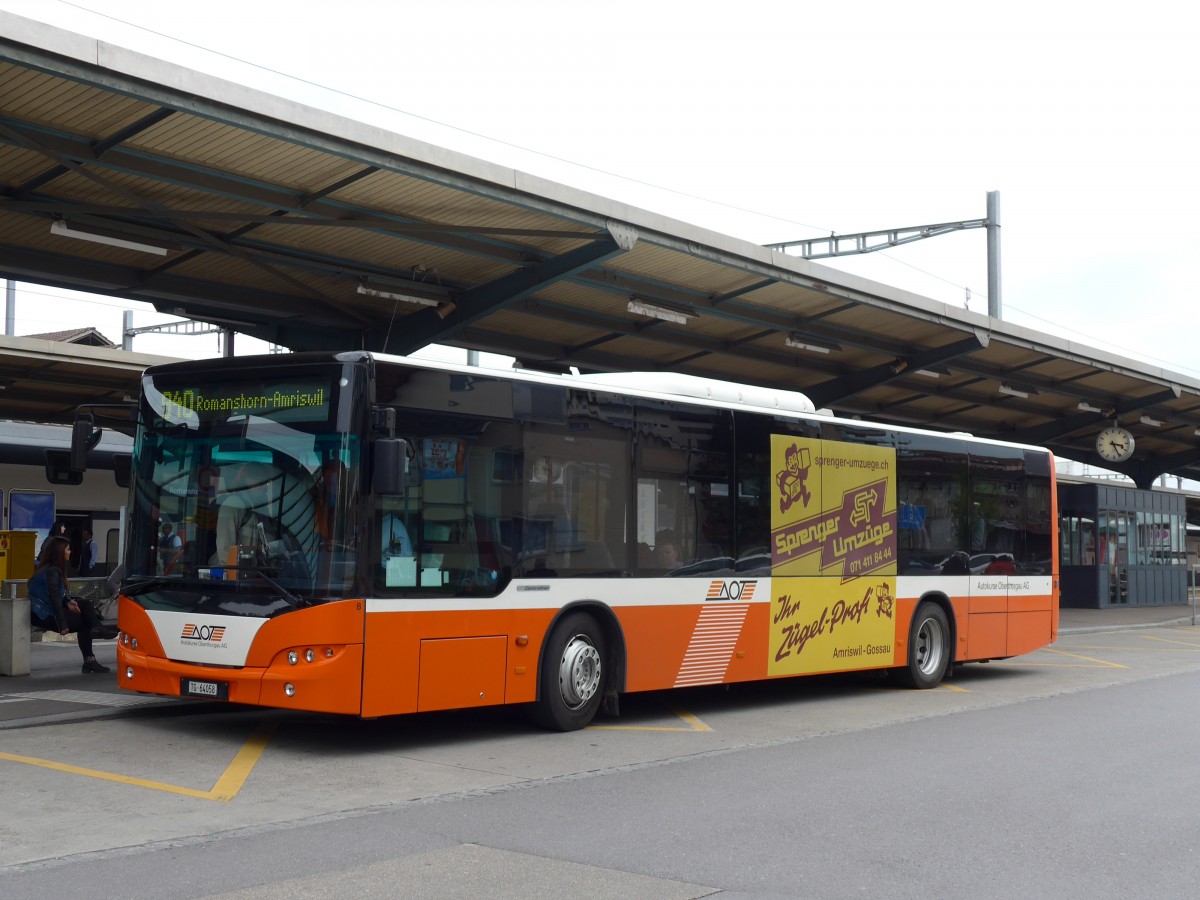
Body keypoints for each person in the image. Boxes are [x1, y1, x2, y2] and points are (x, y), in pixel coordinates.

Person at [27, 535, 110, 674]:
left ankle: (97, 628)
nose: (70, 552)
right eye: (68, 549)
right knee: (85, 623)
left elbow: (55, 595)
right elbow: (53, 599)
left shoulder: (46, 568)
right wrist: (63, 625)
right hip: (44, 615)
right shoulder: (53, 571)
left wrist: (67, 602)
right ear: (60, 552)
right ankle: (92, 652)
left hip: (40, 612)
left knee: (84, 604)